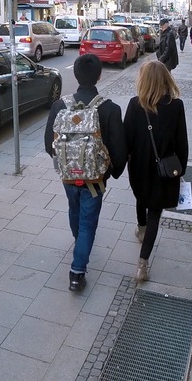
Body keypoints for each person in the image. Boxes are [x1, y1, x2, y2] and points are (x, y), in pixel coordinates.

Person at [44, 54, 127, 292]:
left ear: (75, 74)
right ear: (99, 76)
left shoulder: (60, 106)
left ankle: (78, 241)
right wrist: (111, 172)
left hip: (68, 176)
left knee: (74, 209)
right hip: (95, 179)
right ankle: (77, 272)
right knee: (88, 222)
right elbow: (119, 149)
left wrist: (67, 163)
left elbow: (48, 143)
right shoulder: (110, 109)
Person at [124, 61, 189, 282]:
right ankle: (142, 265)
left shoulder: (135, 105)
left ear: (143, 80)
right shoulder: (176, 106)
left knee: (141, 197)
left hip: (139, 167)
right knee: (155, 212)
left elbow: (127, 141)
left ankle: (141, 229)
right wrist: (180, 170)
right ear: (165, 80)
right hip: (164, 170)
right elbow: (182, 143)